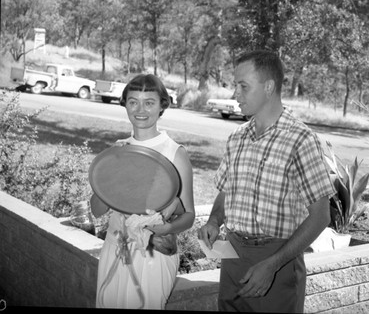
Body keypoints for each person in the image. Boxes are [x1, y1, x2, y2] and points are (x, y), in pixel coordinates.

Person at [198, 50, 333, 313]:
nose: (235, 94)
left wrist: (272, 265)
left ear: (269, 87)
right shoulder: (236, 137)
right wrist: (214, 220)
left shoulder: (301, 140)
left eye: (243, 86)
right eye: (235, 85)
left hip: (279, 263)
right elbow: (227, 192)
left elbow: (320, 217)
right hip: (233, 258)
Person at [90, 74, 195, 309]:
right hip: (115, 248)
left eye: (149, 102)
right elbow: (97, 211)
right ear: (125, 104)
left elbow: (188, 215)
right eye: (133, 101)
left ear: (162, 106)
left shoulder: (174, 153)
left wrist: (167, 227)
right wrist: (111, 173)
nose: (141, 109)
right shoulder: (118, 151)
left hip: (153, 255)